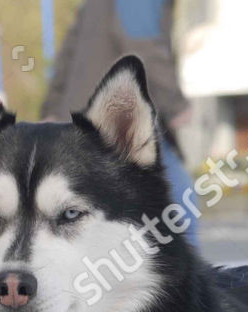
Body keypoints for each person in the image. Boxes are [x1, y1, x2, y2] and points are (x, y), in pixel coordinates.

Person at [42, 0, 199, 244]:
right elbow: (143, 46)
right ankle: (183, 278)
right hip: (117, 118)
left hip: (80, 118)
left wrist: (52, 108)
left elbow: (67, 54)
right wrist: (176, 104)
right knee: (180, 200)